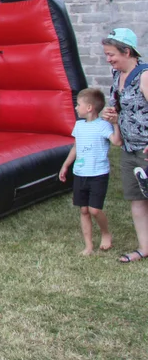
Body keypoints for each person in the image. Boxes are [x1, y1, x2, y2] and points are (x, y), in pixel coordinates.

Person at [99, 27, 148, 263]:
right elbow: (123, 110)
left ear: (127, 51)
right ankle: (144, 247)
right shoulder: (117, 75)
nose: (109, 59)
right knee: (137, 199)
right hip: (129, 148)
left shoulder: (145, 75)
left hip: (146, 149)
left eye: (111, 54)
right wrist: (113, 117)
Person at [59, 87, 121, 255]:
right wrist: (66, 165)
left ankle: (106, 233)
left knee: (94, 210)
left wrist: (115, 124)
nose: (76, 107)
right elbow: (76, 147)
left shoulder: (103, 126)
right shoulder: (79, 126)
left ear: (89, 108)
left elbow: (116, 142)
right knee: (84, 210)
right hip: (80, 174)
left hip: (98, 174)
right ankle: (88, 246)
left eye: (78, 104)